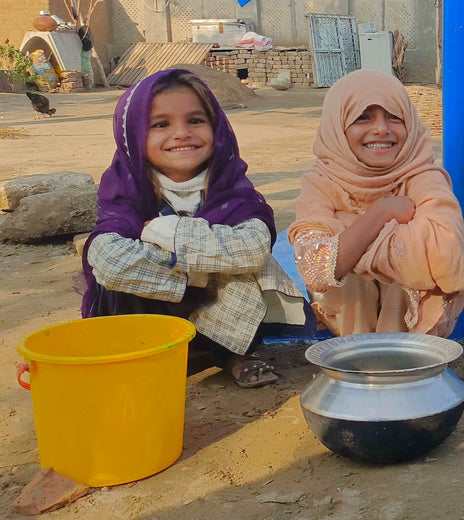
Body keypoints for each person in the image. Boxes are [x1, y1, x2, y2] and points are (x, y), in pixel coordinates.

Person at [81, 69, 307, 388]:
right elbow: (109, 260)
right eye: (161, 124)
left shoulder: (229, 186)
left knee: (254, 269)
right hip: (152, 315)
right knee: (121, 282)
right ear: (132, 134)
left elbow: (254, 247)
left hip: (219, 316)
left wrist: (171, 233)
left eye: (195, 121)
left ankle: (231, 355)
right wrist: (198, 272)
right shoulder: (126, 189)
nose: (181, 133)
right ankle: (147, 358)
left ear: (217, 128)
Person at [288, 69, 464, 337]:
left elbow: (448, 259)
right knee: (346, 271)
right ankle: (363, 355)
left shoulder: (423, 176)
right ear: (337, 127)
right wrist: (380, 213)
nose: (381, 129)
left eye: (393, 117)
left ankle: (401, 355)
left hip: (417, 334)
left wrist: (350, 237)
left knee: (346, 251)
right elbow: (315, 269)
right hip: (350, 326)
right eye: (362, 118)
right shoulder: (321, 183)